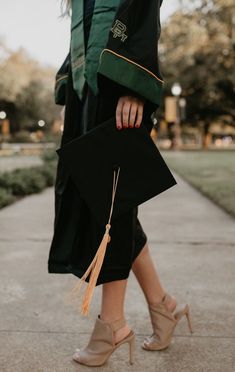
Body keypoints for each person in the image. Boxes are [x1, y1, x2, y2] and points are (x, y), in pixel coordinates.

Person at [48, 0, 193, 367]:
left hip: (119, 89)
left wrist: (135, 85)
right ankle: (164, 307)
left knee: (112, 205)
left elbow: (142, 13)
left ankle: (112, 323)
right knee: (106, 201)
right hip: (86, 96)